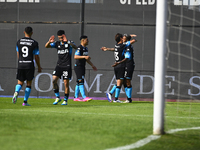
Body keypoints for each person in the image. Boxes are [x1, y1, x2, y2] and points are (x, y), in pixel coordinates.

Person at [101, 33, 136, 103]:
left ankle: (116, 96)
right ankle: (116, 97)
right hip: (121, 65)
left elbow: (116, 49)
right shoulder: (124, 45)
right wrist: (129, 37)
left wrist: (107, 49)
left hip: (121, 65)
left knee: (122, 81)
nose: (123, 37)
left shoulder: (118, 45)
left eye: (124, 37)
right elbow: (133, 41)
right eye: (122, 37)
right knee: (121, 81)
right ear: (121, 39)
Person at [45, 30, 77, 105]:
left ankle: (65, 100)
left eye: (62, 37)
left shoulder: (69, 42)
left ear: (64, 36)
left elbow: (76, 47)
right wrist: (49, 41)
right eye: (59, 38)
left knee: (66, 83)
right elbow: (46, 46)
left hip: (67, 66)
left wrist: (68, 41)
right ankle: (58, 97)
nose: (61, 39)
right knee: (53, 81)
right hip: (59, 65)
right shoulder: (57, 43)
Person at [12, 26, 42, 106]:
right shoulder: (34, 43)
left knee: (20, 82)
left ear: (24, 32)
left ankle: (16, 92)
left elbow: (18, 53)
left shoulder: (19, 41)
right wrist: (39, 66)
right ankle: (25, 102)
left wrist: (20, 61)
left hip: (21, 64)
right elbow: (36, 56)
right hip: (29, 65)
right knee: (28, 83)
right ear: (32, 33)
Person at [74, 35, 97, 102]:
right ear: (83, 40)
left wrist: (92, 65)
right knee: (81, 81)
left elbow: (86, 58)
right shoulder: (79, 48)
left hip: (82, 66)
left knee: (78, 82)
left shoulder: (86, 48)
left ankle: (76, 97)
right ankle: (84, 97)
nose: (88, 41)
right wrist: (84, 57)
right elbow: (75, 56)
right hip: (78, 66)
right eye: (87, 40)